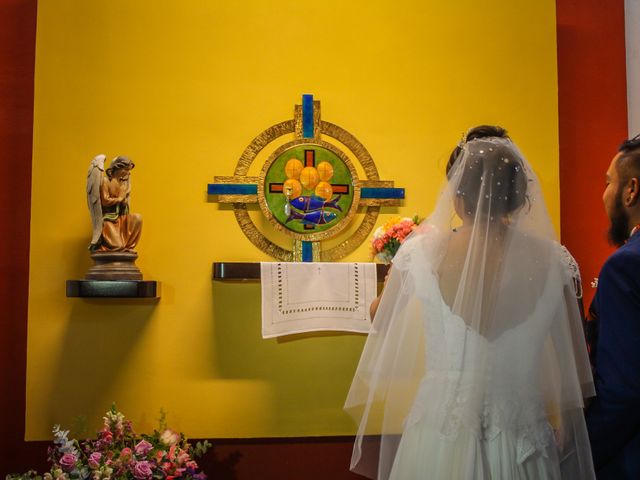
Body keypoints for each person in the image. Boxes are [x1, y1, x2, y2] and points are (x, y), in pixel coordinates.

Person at [345, 126, 595, 479]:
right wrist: (567, 431)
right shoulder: (556, 263)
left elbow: (379, 319)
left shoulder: (420, 254)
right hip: (522, 438)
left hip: (438, 437)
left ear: (456, 195)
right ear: (518, 194)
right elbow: (575, 365)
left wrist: (392, 281)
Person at [585, 133, 640, 479]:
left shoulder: (626, 266)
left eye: (608, 182)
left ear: (631, 190)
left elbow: (624, 391)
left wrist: (581, 451)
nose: (604, 194)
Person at [89, 155, 142, 252]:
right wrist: (120, 198)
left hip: (120, 218)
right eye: (126, 169)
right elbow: (105, 201)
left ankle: (128, 246)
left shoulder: (122, 184)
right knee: (118, 246)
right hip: (109, 220)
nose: (129, 173)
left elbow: (123, 205)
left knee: (137, 218)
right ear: (119, 168)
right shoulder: (105, 181)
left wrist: (124, 201)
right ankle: (119, 247)